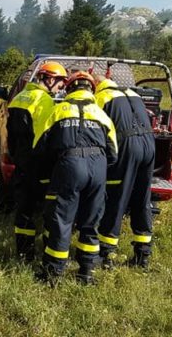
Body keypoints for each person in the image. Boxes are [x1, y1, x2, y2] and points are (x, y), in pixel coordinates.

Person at [35, 71, 117, 285]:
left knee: (62, 221)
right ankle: (86, 272)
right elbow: (113, 153)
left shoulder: (58, 110)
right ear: (91, 89)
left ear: (69, 89)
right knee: (91, 222)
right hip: (98, 167)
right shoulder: (101, 114)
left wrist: (53, 171)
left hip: (69, 165)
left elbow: (40, 147)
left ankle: (53, 274)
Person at [7, 61, 67, 262]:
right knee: (50, 212)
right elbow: (45, 139)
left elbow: (11, 137)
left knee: (23, 211)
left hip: (21, 164)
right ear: (49, 79)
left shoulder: (18, 98)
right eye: (60, 83)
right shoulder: (44, 102)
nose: (61, 88)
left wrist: (17, 160)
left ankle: (24, 255)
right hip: (39, 166)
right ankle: (48, 253)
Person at [94, 76, 156, 269]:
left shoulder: (102, 98)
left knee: (117, 199)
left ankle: (106, 254)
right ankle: (142, 254)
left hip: (128, 147)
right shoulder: (132, 93)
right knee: (142, 199)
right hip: (149, 145)